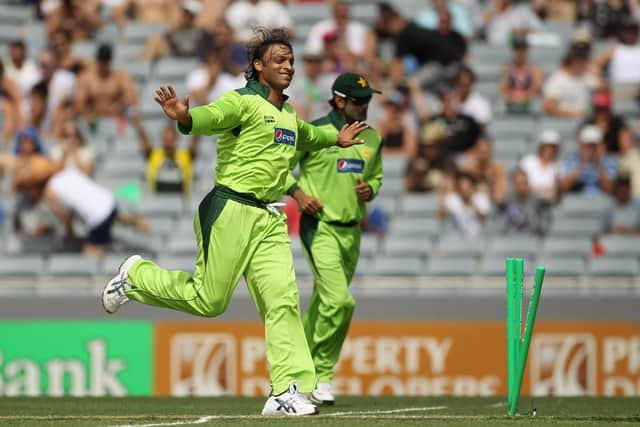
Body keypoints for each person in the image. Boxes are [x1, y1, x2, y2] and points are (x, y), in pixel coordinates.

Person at [100, 28, 366, 416]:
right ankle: (136, 276)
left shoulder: (289, 114)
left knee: (284, 301)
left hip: (269, 218)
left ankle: (286, 391)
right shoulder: (241, 102)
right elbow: (212, 116)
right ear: (258, 66)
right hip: (230, 209)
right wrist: (186, 117)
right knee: (209, 301)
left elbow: (308, 136)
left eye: (291, 61)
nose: (288, 67)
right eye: (279, 60)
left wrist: (334, 140)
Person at [284, 72, 383, 406]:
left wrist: (371, 189)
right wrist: (298, 195)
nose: (365, 106)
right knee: (340, 302)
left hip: (352, 231)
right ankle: (320, 374)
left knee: (324, 304)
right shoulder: (316, 133)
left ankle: (296, 374)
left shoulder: (372, 139)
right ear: (339, 100)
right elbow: (281, 169)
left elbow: (376, 176)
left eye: (368, 100)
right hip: (320, 227)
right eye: (358, 101)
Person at [559, 125, 617, 194]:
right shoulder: (571, 160)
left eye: (594, 145)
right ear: (581, 144)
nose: (591, 149)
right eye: (588, 145)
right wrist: (582, 163)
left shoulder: (608, 161)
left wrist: (599, 163)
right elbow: (564, 187)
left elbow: (610, 188)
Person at [499, 168, 552, 236]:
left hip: (533, 239)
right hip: (511, 240)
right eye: (518, 183)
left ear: (528, 183)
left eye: (524, 183)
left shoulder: (538, 202)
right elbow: (501, 226)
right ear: (513, 184)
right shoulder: (505, 203)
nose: (521, 187)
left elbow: (544, 225)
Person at [499, 35, 544, 114]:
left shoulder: (535, 69)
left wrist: (523, 98)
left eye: (523, 49)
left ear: (527, 50)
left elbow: (536, 89)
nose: (520, 52)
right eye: (517, 49)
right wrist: (513, 98)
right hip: (511, 103)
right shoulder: (507, 68)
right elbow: (503, 89)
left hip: (529, 103)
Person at [520, 129, 561, 202]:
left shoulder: (558, 165)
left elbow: (556, 190)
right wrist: (546, 190)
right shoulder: (528, 161)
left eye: (552, 147)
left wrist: (535, 189)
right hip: (528, 202)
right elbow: (522, 186)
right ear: (541, 147)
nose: (549, 150)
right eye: (547, 146)